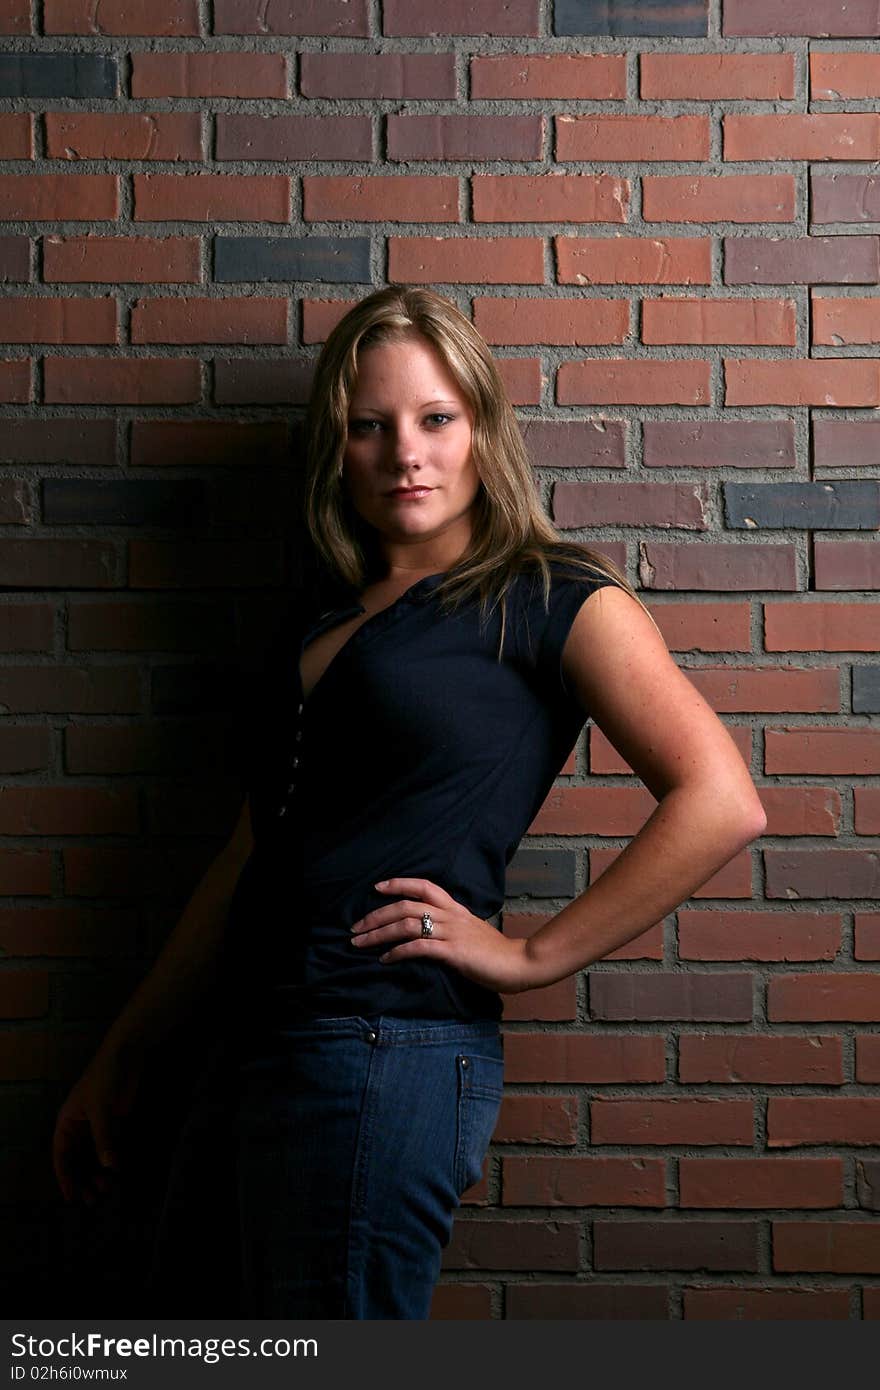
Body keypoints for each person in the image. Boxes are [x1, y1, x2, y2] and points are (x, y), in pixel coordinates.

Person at [52, 285, 767, 1319]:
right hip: (254, 1042)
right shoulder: (321, 613)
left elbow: (720, 800)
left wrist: (530, 956)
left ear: (480, 428)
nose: (405, 453)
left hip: (384, 1050)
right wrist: (128, 1049)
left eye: (435, 419)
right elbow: (260, 843)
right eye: (369, 425)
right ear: (336, 448)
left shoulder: (552, 594)